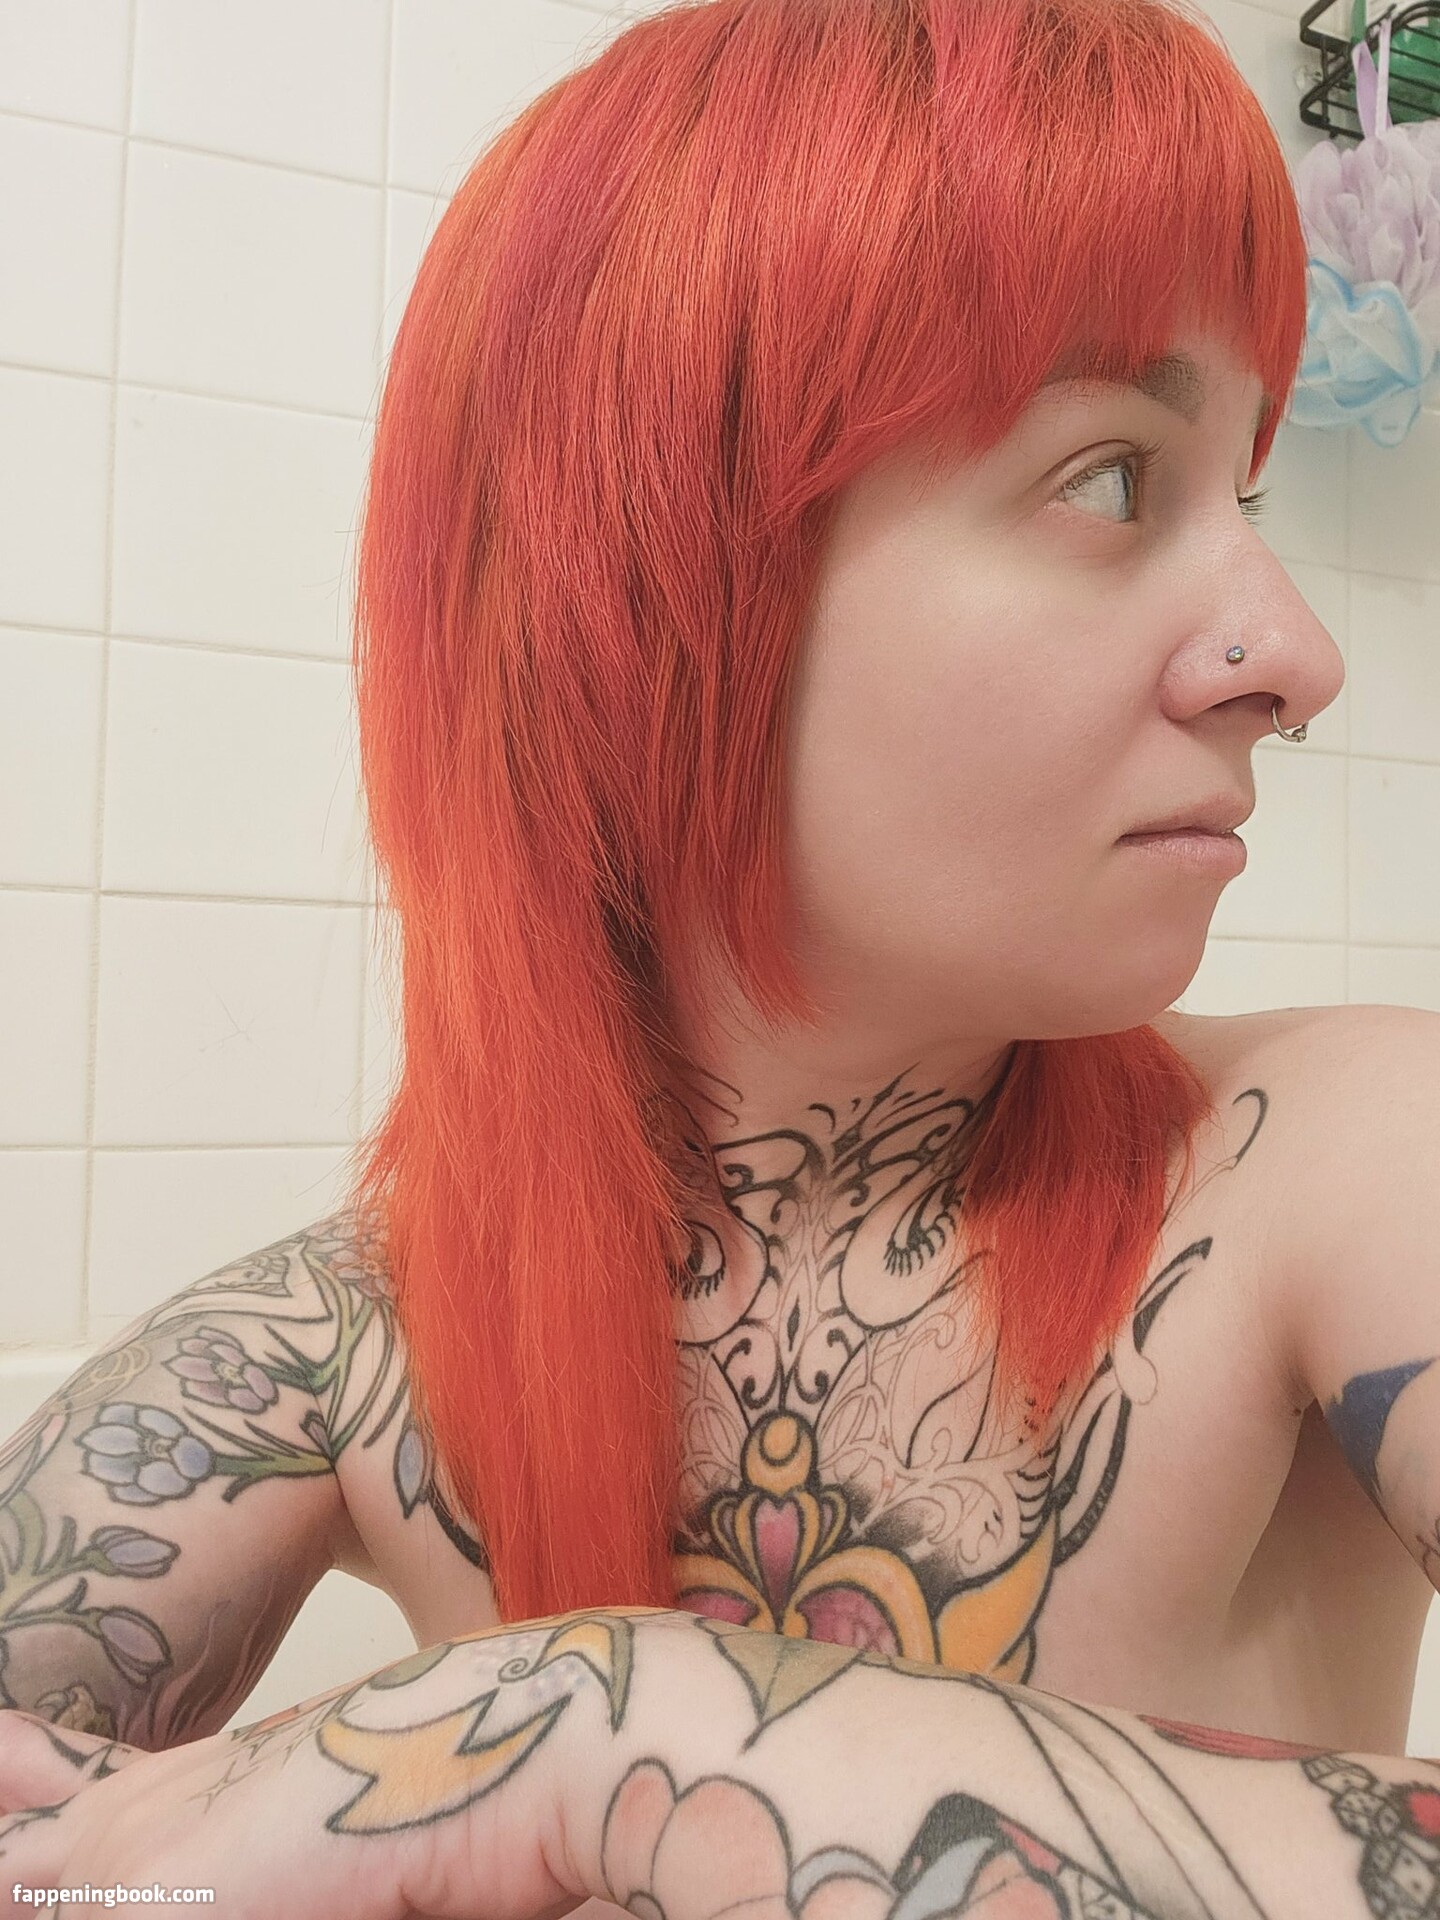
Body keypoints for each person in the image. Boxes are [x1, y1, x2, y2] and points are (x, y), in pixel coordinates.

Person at [2, 0, 1437, 1911]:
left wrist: (612, 1737)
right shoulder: (348, 1343)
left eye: (1237, 495)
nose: (1294, 661)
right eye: (1111, 477)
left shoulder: (1356, 1164)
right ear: (659, 587)